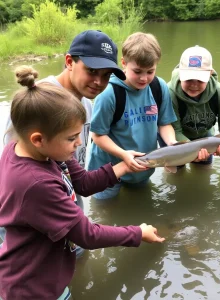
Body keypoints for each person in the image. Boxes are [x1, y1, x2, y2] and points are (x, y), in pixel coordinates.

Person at [0, 66, 165, 300]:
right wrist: (137, 233)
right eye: (71, 138)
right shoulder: (36, 183)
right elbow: (87, 235)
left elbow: (84, 183)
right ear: (38, 139)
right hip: (33, 287)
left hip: (48, 271)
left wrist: (125, 165)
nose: (79, 143)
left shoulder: (44, 153)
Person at [1, 30, 126, 257]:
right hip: (39, 224)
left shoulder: (85, 104)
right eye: (92, 71)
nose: (99, 82)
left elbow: (75, 172)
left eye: (107, 75)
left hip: (68, 206)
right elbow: (16, 176)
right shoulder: (37, 103)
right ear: (69, 61)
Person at [88, 32, 178, 200]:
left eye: (150, 71)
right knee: (105, 212)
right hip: (108, 170)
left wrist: (172, 143)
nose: (144, 78)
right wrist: (123, 155)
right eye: (137, 71)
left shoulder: (159, 87)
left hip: (141, 167)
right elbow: (98, 135)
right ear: (123, 63)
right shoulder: (108, 93)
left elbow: (164, 123)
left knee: (140, 205)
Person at [166, 45, 220, 165]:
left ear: (210, 74)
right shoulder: (169, 93)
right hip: (176, 139)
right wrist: (191, 151)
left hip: (205, 136)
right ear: (180, 73)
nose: (194, 85)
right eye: (189, 79)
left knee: (204, 170)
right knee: (174, 170)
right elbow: (173, 129)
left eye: (200, 80)